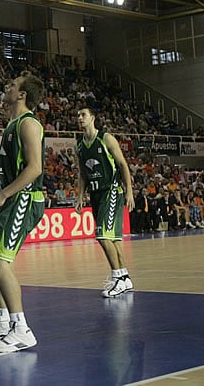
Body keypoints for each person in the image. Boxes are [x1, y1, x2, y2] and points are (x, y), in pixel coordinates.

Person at [0, 72, 45, 353]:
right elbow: (13, 167)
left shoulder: (28, 125)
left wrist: (2, 194)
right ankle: (2, 321)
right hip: (12, 198)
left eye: (13, 85)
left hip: (23, 198)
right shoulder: (12, 124)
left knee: (0, 262)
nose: (8, 87)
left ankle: (22, 329)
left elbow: (35, 168)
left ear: (23, 95)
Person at [75, 106, 135, 298]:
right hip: (95, 194)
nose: (79, 118)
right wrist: (80, 196)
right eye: (78, 115)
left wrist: (129, 192)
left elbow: (123, 165)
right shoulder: (79, 145)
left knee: (102, 236)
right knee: (114, 240)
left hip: (111, 191)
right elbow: (82, 173)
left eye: (83, 115)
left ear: (92, 118)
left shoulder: (106, 138)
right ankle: (125, 277)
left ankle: (117, 278)